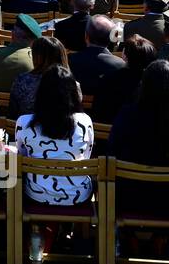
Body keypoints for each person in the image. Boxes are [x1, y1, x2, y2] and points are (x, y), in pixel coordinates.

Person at [109, 60, 169, 220]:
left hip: (129, 200)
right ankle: (159, 238)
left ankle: (132, 238)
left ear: (144, 86)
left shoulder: (127, 114)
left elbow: (112, 151)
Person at [15, 64, 95, 209]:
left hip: (36, 194)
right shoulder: (85, 121)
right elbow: (86, 156)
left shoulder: (24, 122)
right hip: (77, 196)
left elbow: (21, 158)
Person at [91, 35, 158, 124]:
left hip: (108, 131)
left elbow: (97, 111)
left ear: (125, 56)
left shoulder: (108, 79)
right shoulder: (154, 83)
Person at [9, 36, 67, 119]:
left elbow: (12, 113)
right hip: (61, 131)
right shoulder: (71, 84)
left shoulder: (21, 80)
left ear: (37, 57)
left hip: (26, 129)